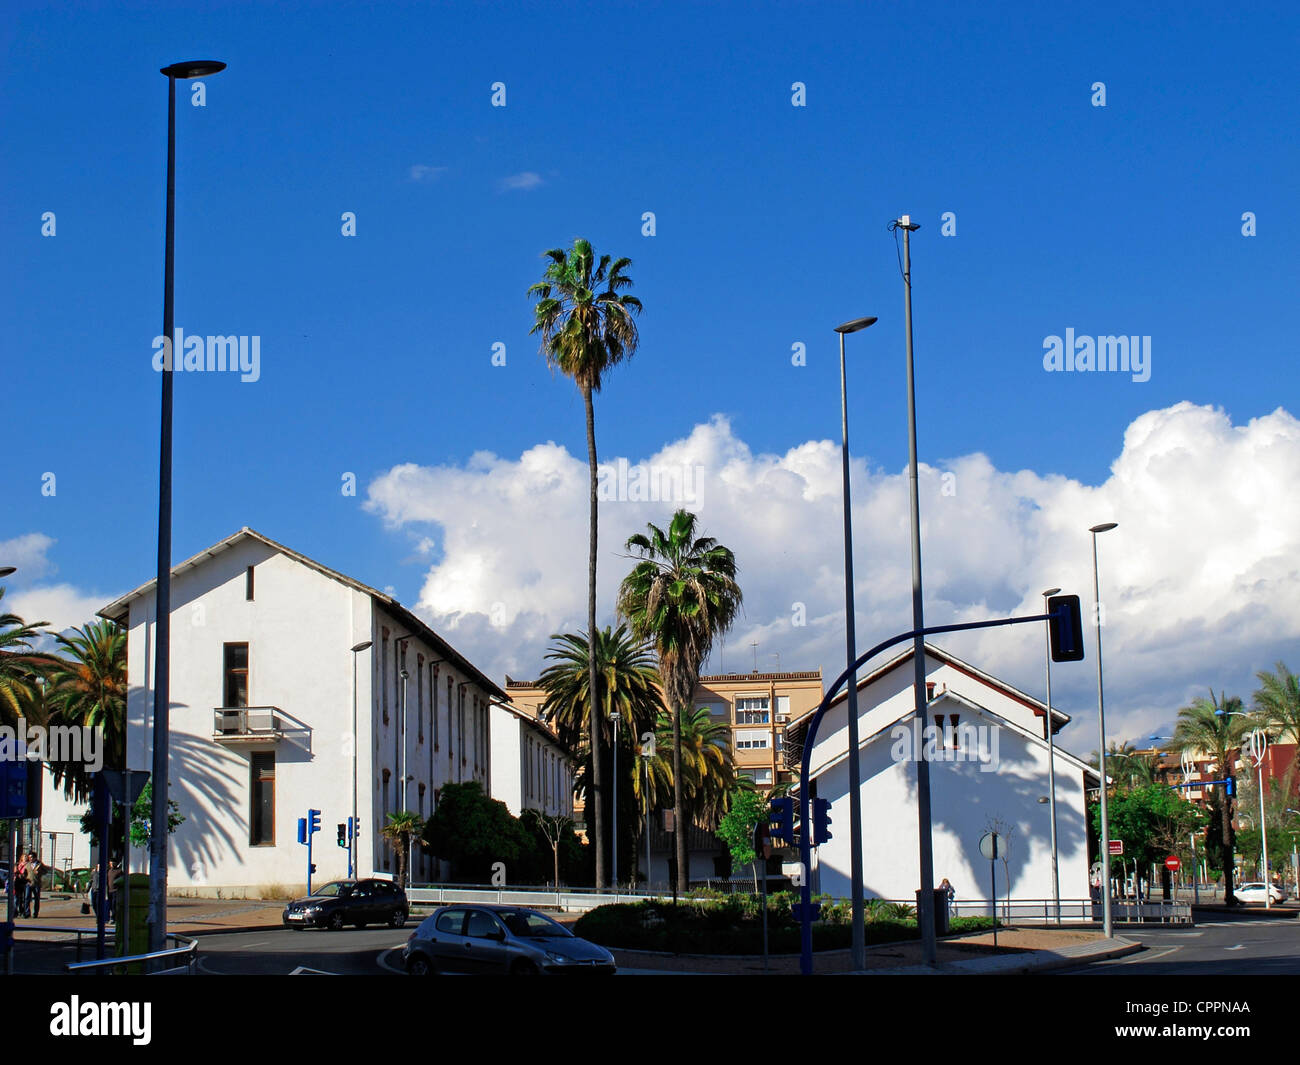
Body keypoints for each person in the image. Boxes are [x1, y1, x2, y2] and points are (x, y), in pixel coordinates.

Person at [25, 851, 46, 919]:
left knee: (36, 899)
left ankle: (35, 913)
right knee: (27, 898)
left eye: (31, 857)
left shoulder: (39, 864)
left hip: (36, 883)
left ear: (34, 857)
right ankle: (27, 913)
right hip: (28, 883)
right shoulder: (27, 864)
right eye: (29, 857)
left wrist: (40, 872)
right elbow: (24, 872)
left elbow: (45, 871)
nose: (30, 859)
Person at [14, 852, 29, 917]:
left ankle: (22, 911)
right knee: (16, 898)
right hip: (17, 882)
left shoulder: (28, 865)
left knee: (24, 898)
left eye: (26, 857)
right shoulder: (18, 864)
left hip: (24, 882)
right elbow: (14, 872)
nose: (25, 858)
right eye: (24, 857)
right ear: (21, 858)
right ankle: (15, 912)